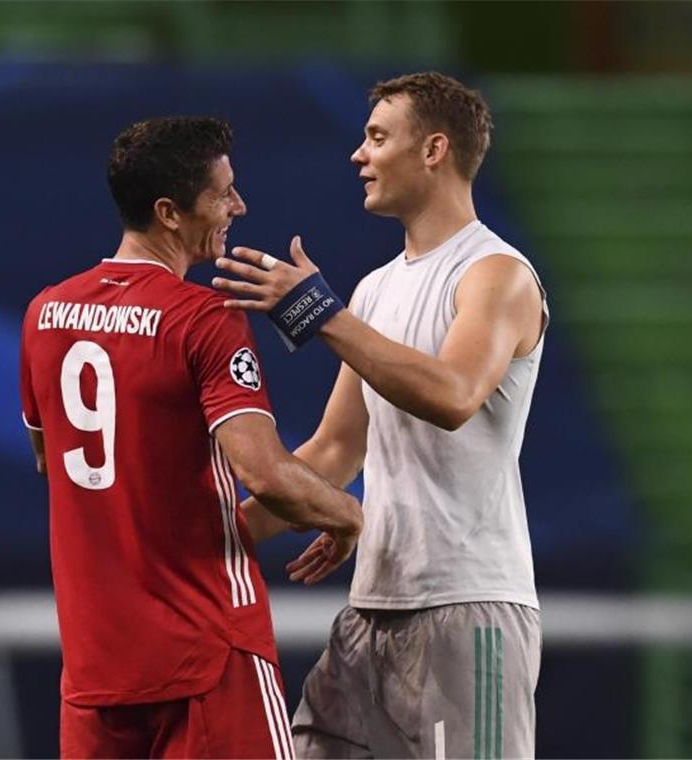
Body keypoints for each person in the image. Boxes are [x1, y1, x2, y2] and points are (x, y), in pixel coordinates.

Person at [212, 72, 549, 758]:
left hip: (468, 610)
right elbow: (335, 450)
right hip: (371, 609)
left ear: (433, 150)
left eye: (376, 137)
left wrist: (320, 315)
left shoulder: (497, 275)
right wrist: (213, 539)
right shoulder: (376, 288)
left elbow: (454, 395)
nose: (357, 155)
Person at [19, 116, 363, 759]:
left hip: (97, 664)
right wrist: (352, 518)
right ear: (169, 213)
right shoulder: (203, 318)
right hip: (208, 650)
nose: (239, 205)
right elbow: (265, 475)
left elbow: (53, 459)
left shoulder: (45, 313)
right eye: (222, 193)